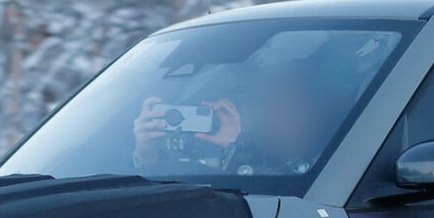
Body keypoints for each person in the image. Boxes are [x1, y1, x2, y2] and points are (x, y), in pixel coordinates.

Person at [131, 61, 337, 178]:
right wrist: (148, 154)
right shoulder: (220, 156)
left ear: (315, 110)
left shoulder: (332, 165)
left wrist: (237, 151)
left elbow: (281, 202)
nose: (271, 113)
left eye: (286, 104)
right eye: (263, 103)